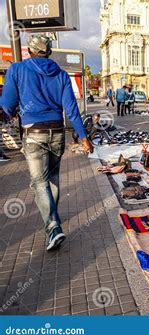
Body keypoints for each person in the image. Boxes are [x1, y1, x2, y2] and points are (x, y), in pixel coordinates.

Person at [2, 34, 93, 250]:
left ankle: (53, 226)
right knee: (52, 178)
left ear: (30, 51)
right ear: (49, 52)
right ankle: (52, 219)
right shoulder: (61, 75)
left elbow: (7, 103)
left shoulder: (17, 70)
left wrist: (12, 112)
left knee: (38, 182)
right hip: (57, 133)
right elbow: (71, 109)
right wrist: (83, 136)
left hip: (34, 133)